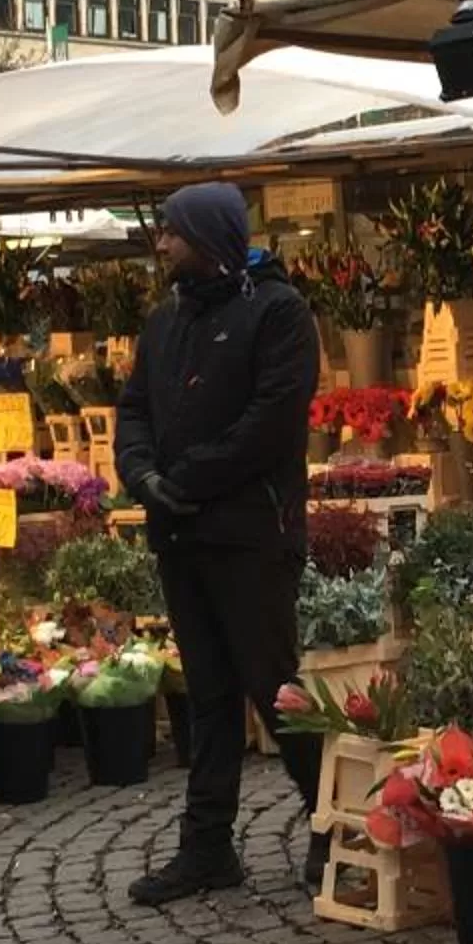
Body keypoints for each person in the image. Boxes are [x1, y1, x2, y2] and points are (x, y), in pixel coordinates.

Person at [115, 182, 322, 904]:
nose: (162, 244)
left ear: (207, 237)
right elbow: (134, 408)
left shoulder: (279, 312)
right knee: (208, 694)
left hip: (250, 534)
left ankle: (329, 826)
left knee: (276, 688)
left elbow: (273, 421)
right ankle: (207, 848)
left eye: (172, 233)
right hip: (181, 530)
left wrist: (188, 477)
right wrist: (142, 475)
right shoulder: (166, 319)